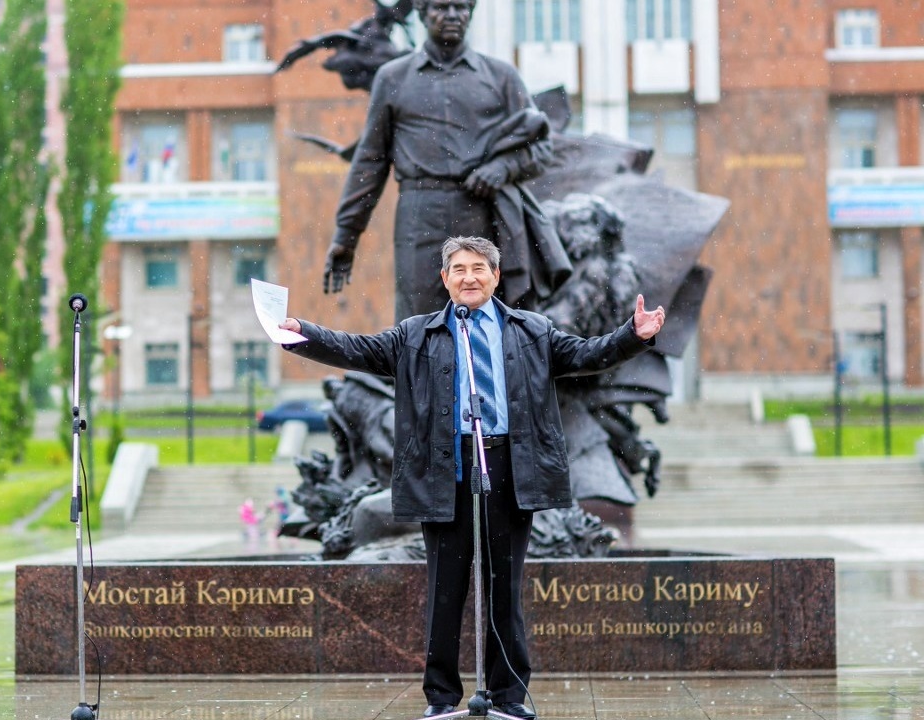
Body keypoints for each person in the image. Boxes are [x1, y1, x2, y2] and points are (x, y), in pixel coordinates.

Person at [280, 237, 665, 719]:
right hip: (446, 470)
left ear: (495, 276)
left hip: (509, 467)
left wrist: (633, 335)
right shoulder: (416, 335)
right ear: (444, 279)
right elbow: (355, 349)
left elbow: (588, 355)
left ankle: (507, 696)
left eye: (479, 268)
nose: (469, 277)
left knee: (505, 589)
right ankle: (441, 698)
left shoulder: (532, 331)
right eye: (459, 269)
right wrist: (303, 333)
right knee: (445, 590)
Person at [324, 0, 570, 321]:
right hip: (419, 215)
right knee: (420, 325)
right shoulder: (394, 77)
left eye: (460, 7)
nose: (452, 16)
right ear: (423, 13)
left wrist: (503, 168)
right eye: (441, 7)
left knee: (487, 320)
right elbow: (370, 163)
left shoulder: (501, 76)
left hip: (482, 212)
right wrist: (346, 236)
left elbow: (540, 146)